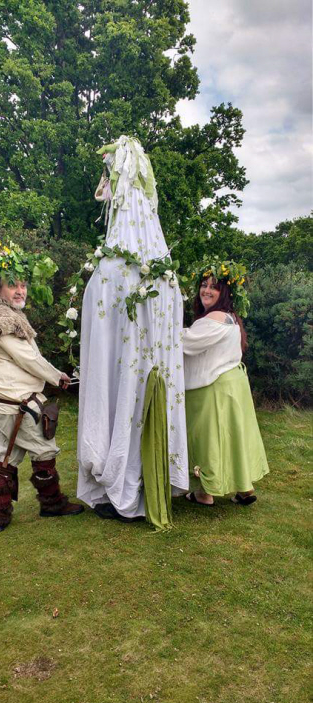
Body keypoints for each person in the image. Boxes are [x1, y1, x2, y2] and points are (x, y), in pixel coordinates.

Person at [77, 136, 188, 528]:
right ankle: (144, 477)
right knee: (134, 396)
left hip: (134, 369)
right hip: (150, 369)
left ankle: (121, 480)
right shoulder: (164, 273)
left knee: (124, 394)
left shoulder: (111, 270)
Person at [0, 242, 84, 533]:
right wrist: (59, 377)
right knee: (44, 450)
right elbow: (29, 358)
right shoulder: (0, 321)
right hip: (16, 403)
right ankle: (52, 503)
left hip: (1, 403)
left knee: (4, 456)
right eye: (12, 285)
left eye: (23, 285)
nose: (20, 291)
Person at [183, 259, 269, 506]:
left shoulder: (215, 318)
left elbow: (187, 342)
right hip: (234, 384)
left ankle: (205, 493)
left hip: (214, 387)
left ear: (224, 293)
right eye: (203, 285)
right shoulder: (231, 317)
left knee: (209, 439)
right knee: (235, 438)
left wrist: (160, 332)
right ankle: (245, 489)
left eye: (214, 287)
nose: (206, 291)